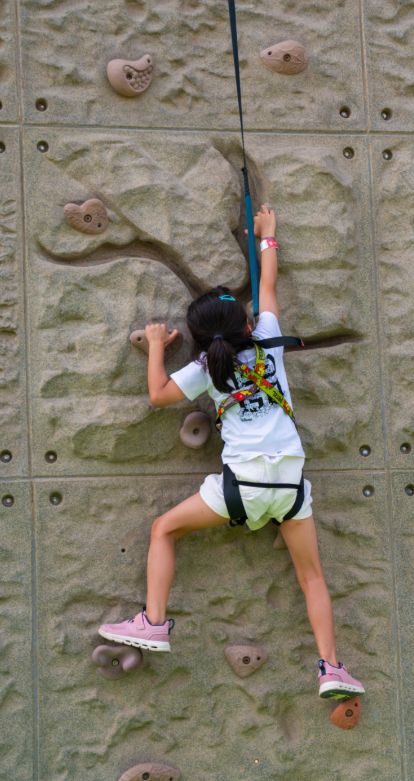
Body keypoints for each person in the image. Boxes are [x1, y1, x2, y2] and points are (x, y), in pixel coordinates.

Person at [99, 204, 364, 701]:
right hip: (290, 487)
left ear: (200, 338)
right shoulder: (268, 340)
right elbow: (268, 284)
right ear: (245, 323)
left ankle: (154, 621)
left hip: (239, 486)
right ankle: (331, 668)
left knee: (164, 530)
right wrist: (268, 234)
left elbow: (158, 395)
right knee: (312, 576)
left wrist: (156, 344)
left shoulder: (205, 367)